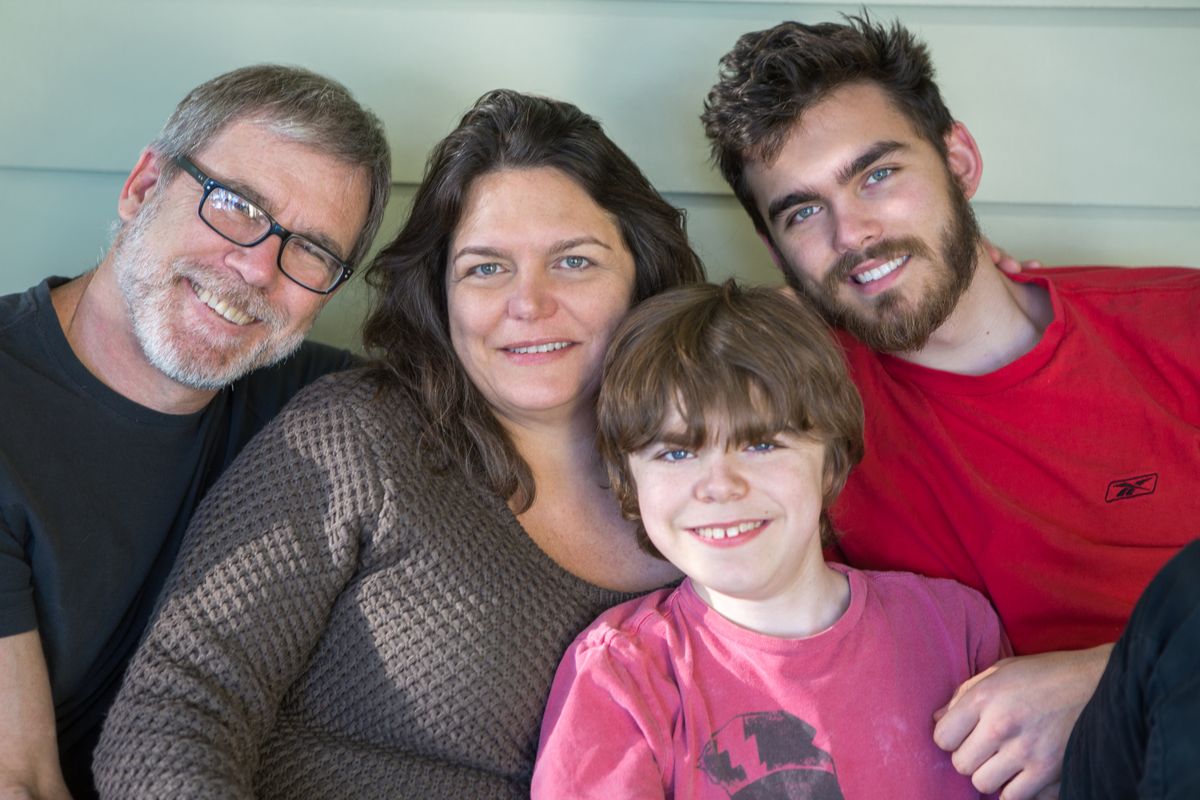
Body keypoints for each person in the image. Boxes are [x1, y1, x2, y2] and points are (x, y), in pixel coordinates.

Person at [91, 88, 705, 799]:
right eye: (485, 267)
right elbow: (178, 708)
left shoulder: (722, 473)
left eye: (573, 262)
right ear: (440, 296)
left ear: (642, 273)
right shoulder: (361, 438)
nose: (528, 303)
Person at [700, 14, 1199, 799]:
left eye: (877, 175)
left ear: (958, 160)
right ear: (775, 254)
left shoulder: (1178, 323)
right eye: (802, 212)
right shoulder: (794, 412)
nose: (854, 233)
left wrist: (1106, 679)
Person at [0, 64, 390, 799]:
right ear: (144, 187)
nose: (254, 268)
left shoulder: (322, 406)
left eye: (311, 249)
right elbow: (17, 780)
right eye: (237, 205)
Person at [532, 280, 1010, 798]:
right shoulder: (625, 673)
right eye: (676, 453)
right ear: (629, 482)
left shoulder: (955, 629)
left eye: (760, 444)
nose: (720, 486)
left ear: (831, 461)